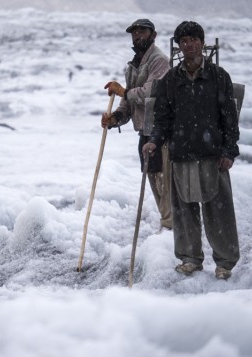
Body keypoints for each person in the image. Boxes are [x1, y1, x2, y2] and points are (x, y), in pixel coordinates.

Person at [142, 21, 240, 280]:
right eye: (184, 41)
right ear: (179, 46)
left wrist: (229, 151)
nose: (189, 45)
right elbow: (163, 119)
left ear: (202, 42)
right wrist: (154, 140)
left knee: (218, 210)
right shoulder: (171, 80)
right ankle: (190, 259)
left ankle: (225, 262)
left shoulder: (219, 76)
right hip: (182, 154)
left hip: (212, 154)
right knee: (184, 210)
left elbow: (229, 118)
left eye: (193, 40)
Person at [101, 18, 173, 231]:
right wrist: (115, 118)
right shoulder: (133, 66)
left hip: (162, 131)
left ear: (153, 35)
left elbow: (151, 94)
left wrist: (122, 91)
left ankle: (170, 230)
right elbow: (129, 104)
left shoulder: (159, 61)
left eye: (142, 31)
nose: (137, 35)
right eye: (134, 32)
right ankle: (167, 227)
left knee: (165, 183)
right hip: (144, 131)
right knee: (153, 180)